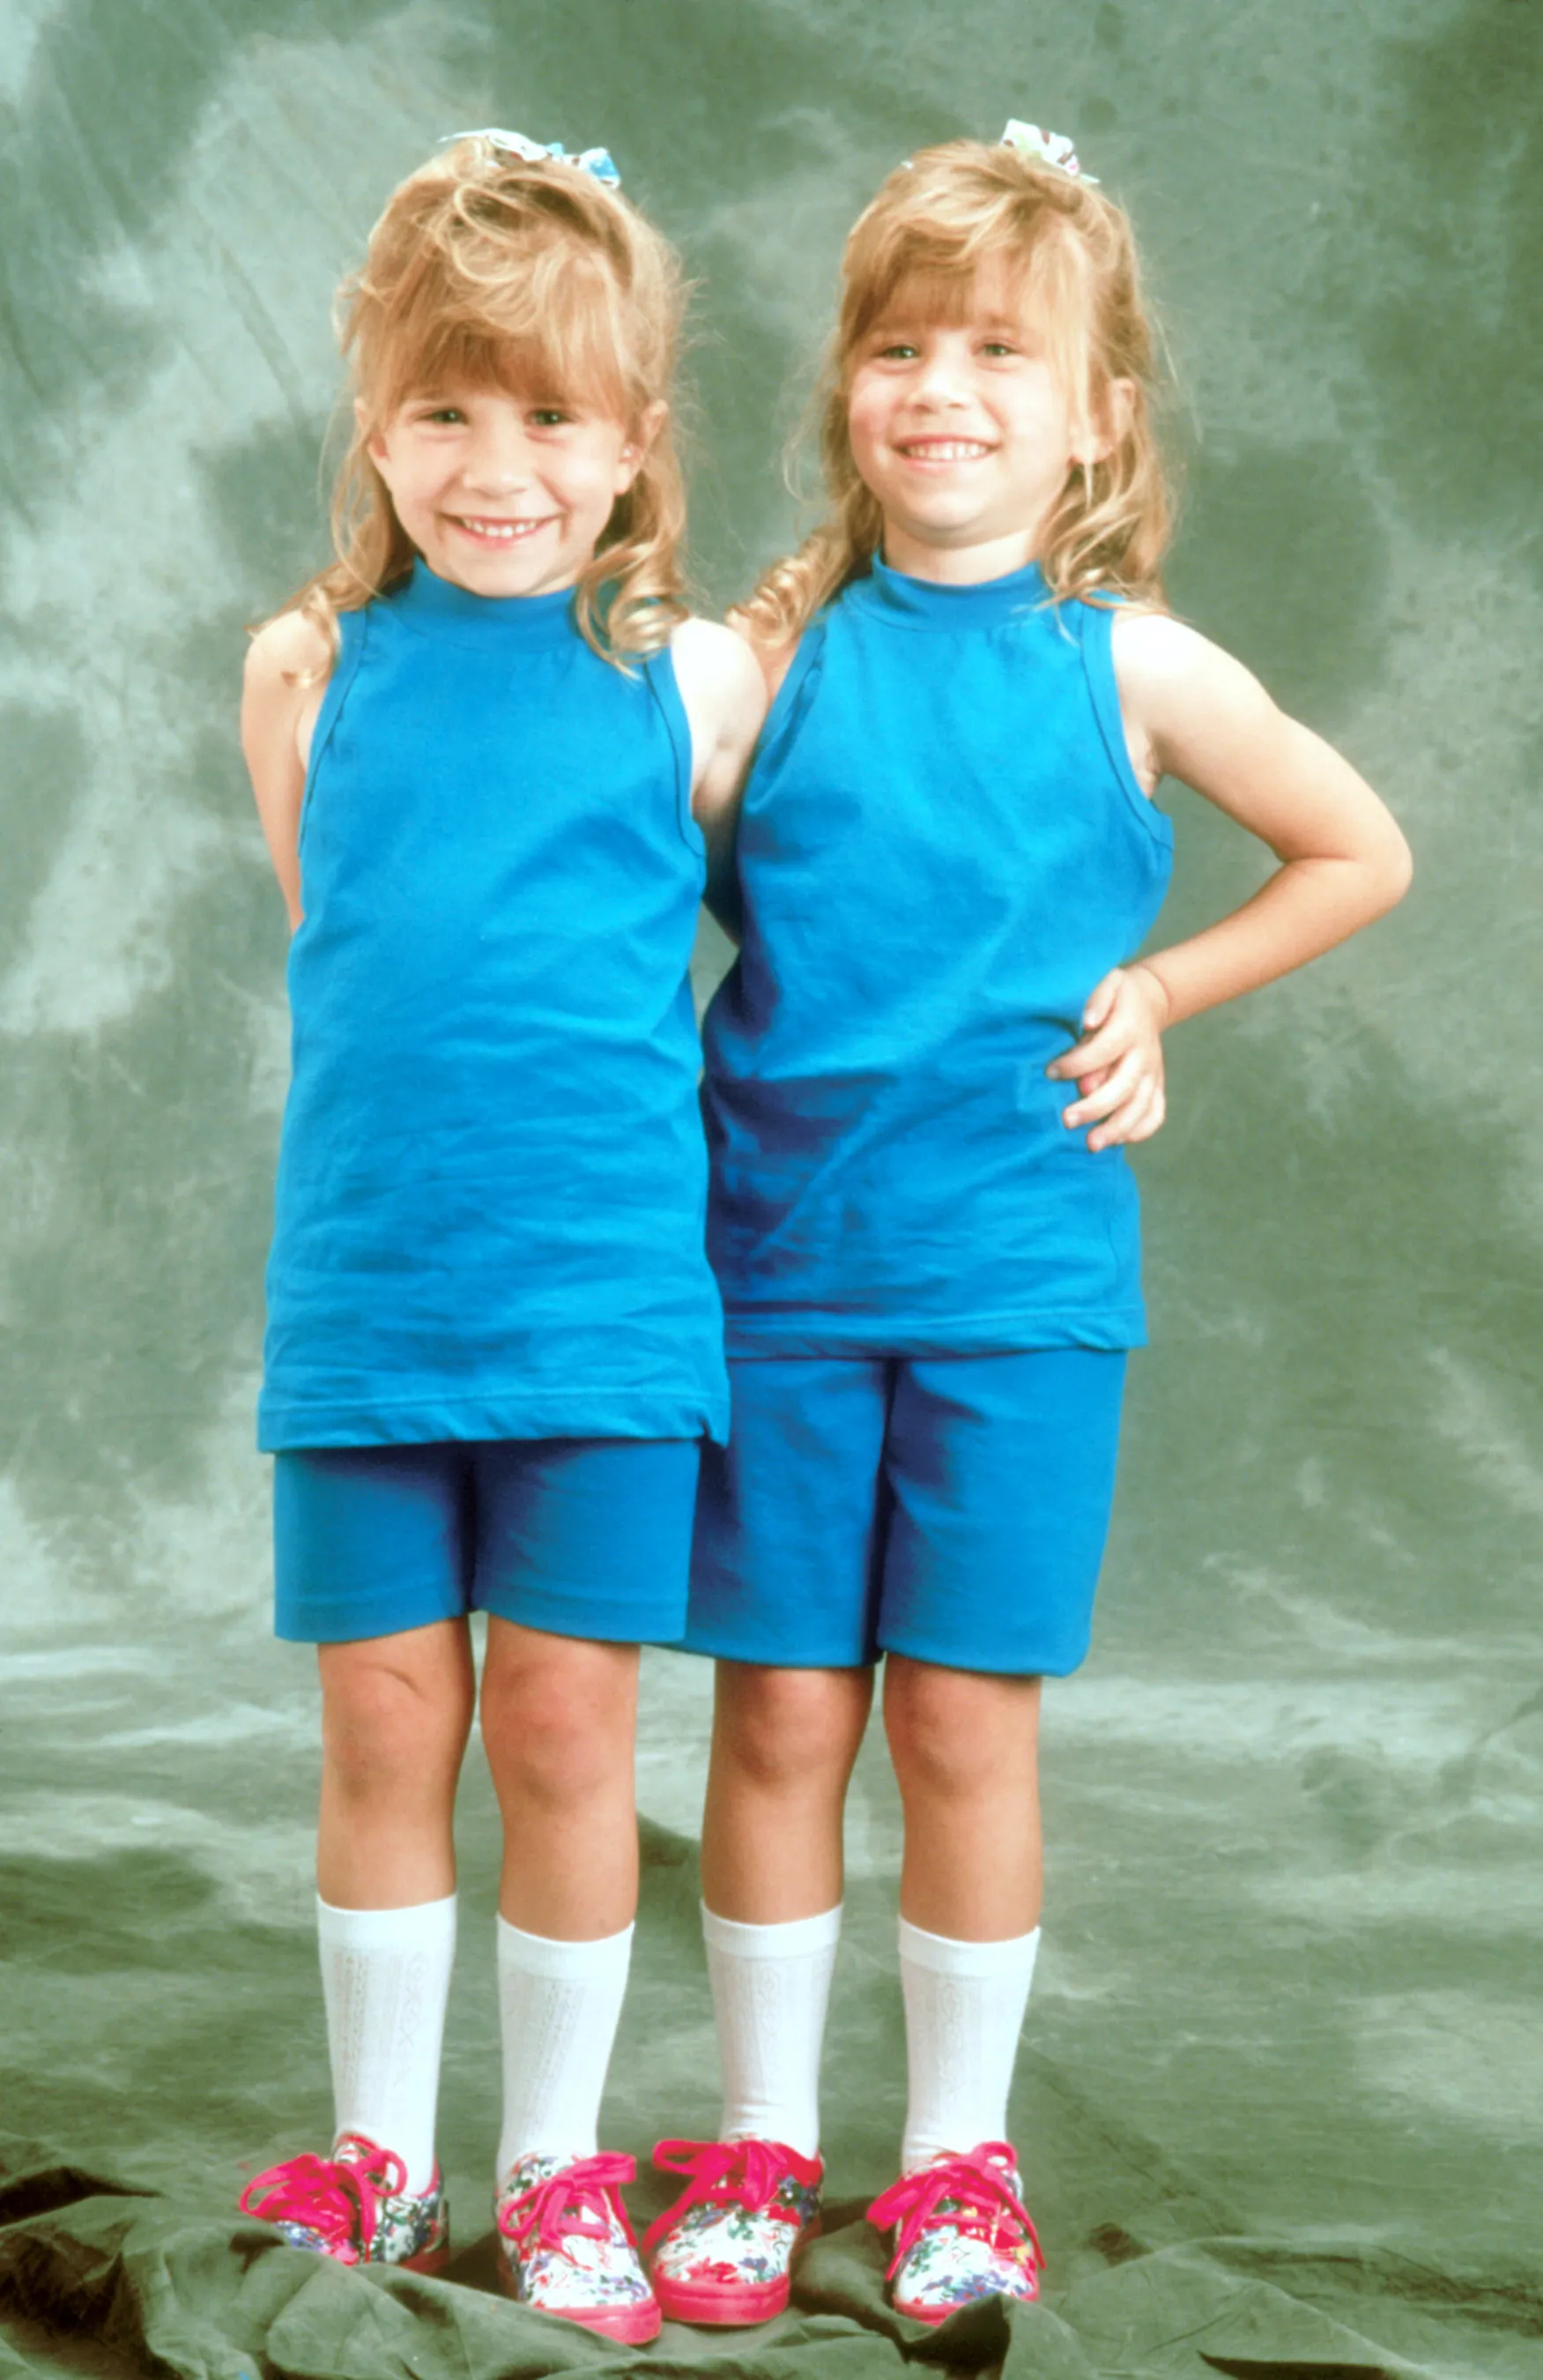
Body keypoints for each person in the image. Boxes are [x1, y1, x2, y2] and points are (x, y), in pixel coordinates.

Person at [642, 123, 1412, 2328]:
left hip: (1015, 1292)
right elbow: (621, 868)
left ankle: (956, 2162)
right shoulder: (767, 662)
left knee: (966, 1725)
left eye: (997, 352)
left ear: (1095, 414)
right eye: (898, 347)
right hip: (772, 1277)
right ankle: (762, 2142)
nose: (940, 389)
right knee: (778, 1722)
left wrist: (1156, 993)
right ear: (845, 392)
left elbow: (1354, 849)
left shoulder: (1134, 667)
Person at [234, 129, 764, 2346]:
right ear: (375, 425)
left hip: (603, 1310)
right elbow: (344, 945)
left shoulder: (692, 681)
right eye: (443, 410)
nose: (495, 465)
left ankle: (553, 2168)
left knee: (560, 1734)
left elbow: (795, 953)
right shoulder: (305, 666)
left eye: (550, 414)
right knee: (382, 1729)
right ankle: (380, 2156)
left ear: (633, 442)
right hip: (371, 1298)